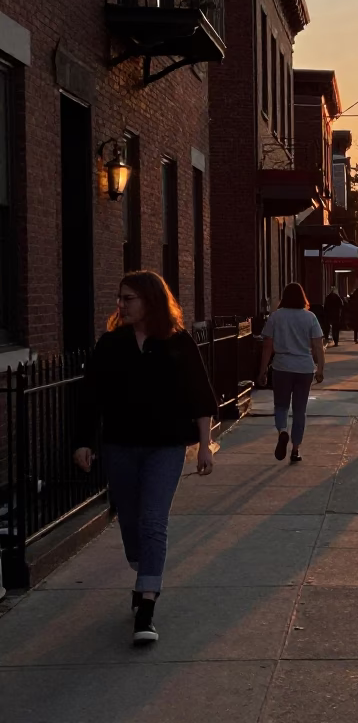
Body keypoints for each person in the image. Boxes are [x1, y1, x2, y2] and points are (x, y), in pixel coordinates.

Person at [74, 270, 218, 646]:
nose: (120, 305)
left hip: (165, 446)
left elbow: (201, 396)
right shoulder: (111, 345)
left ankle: (147, 604)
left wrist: (204, 444)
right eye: (119, 298)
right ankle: (144, 570)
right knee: (131, 522)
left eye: (128, 299)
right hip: (120, 445)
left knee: (154, 520)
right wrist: (82, 442)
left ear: (150, 300)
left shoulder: (177, 342)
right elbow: (91, 397)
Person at [257, 282, 325, 464]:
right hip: (304, 367)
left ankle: (282, 431)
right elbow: (318, 345)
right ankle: (296, 449)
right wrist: (320, 369)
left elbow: (267, 346)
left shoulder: (276, 317)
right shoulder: (310, 317)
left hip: (282, 366)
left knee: (281, 406)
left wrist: (262, 371)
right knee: (300, 410)